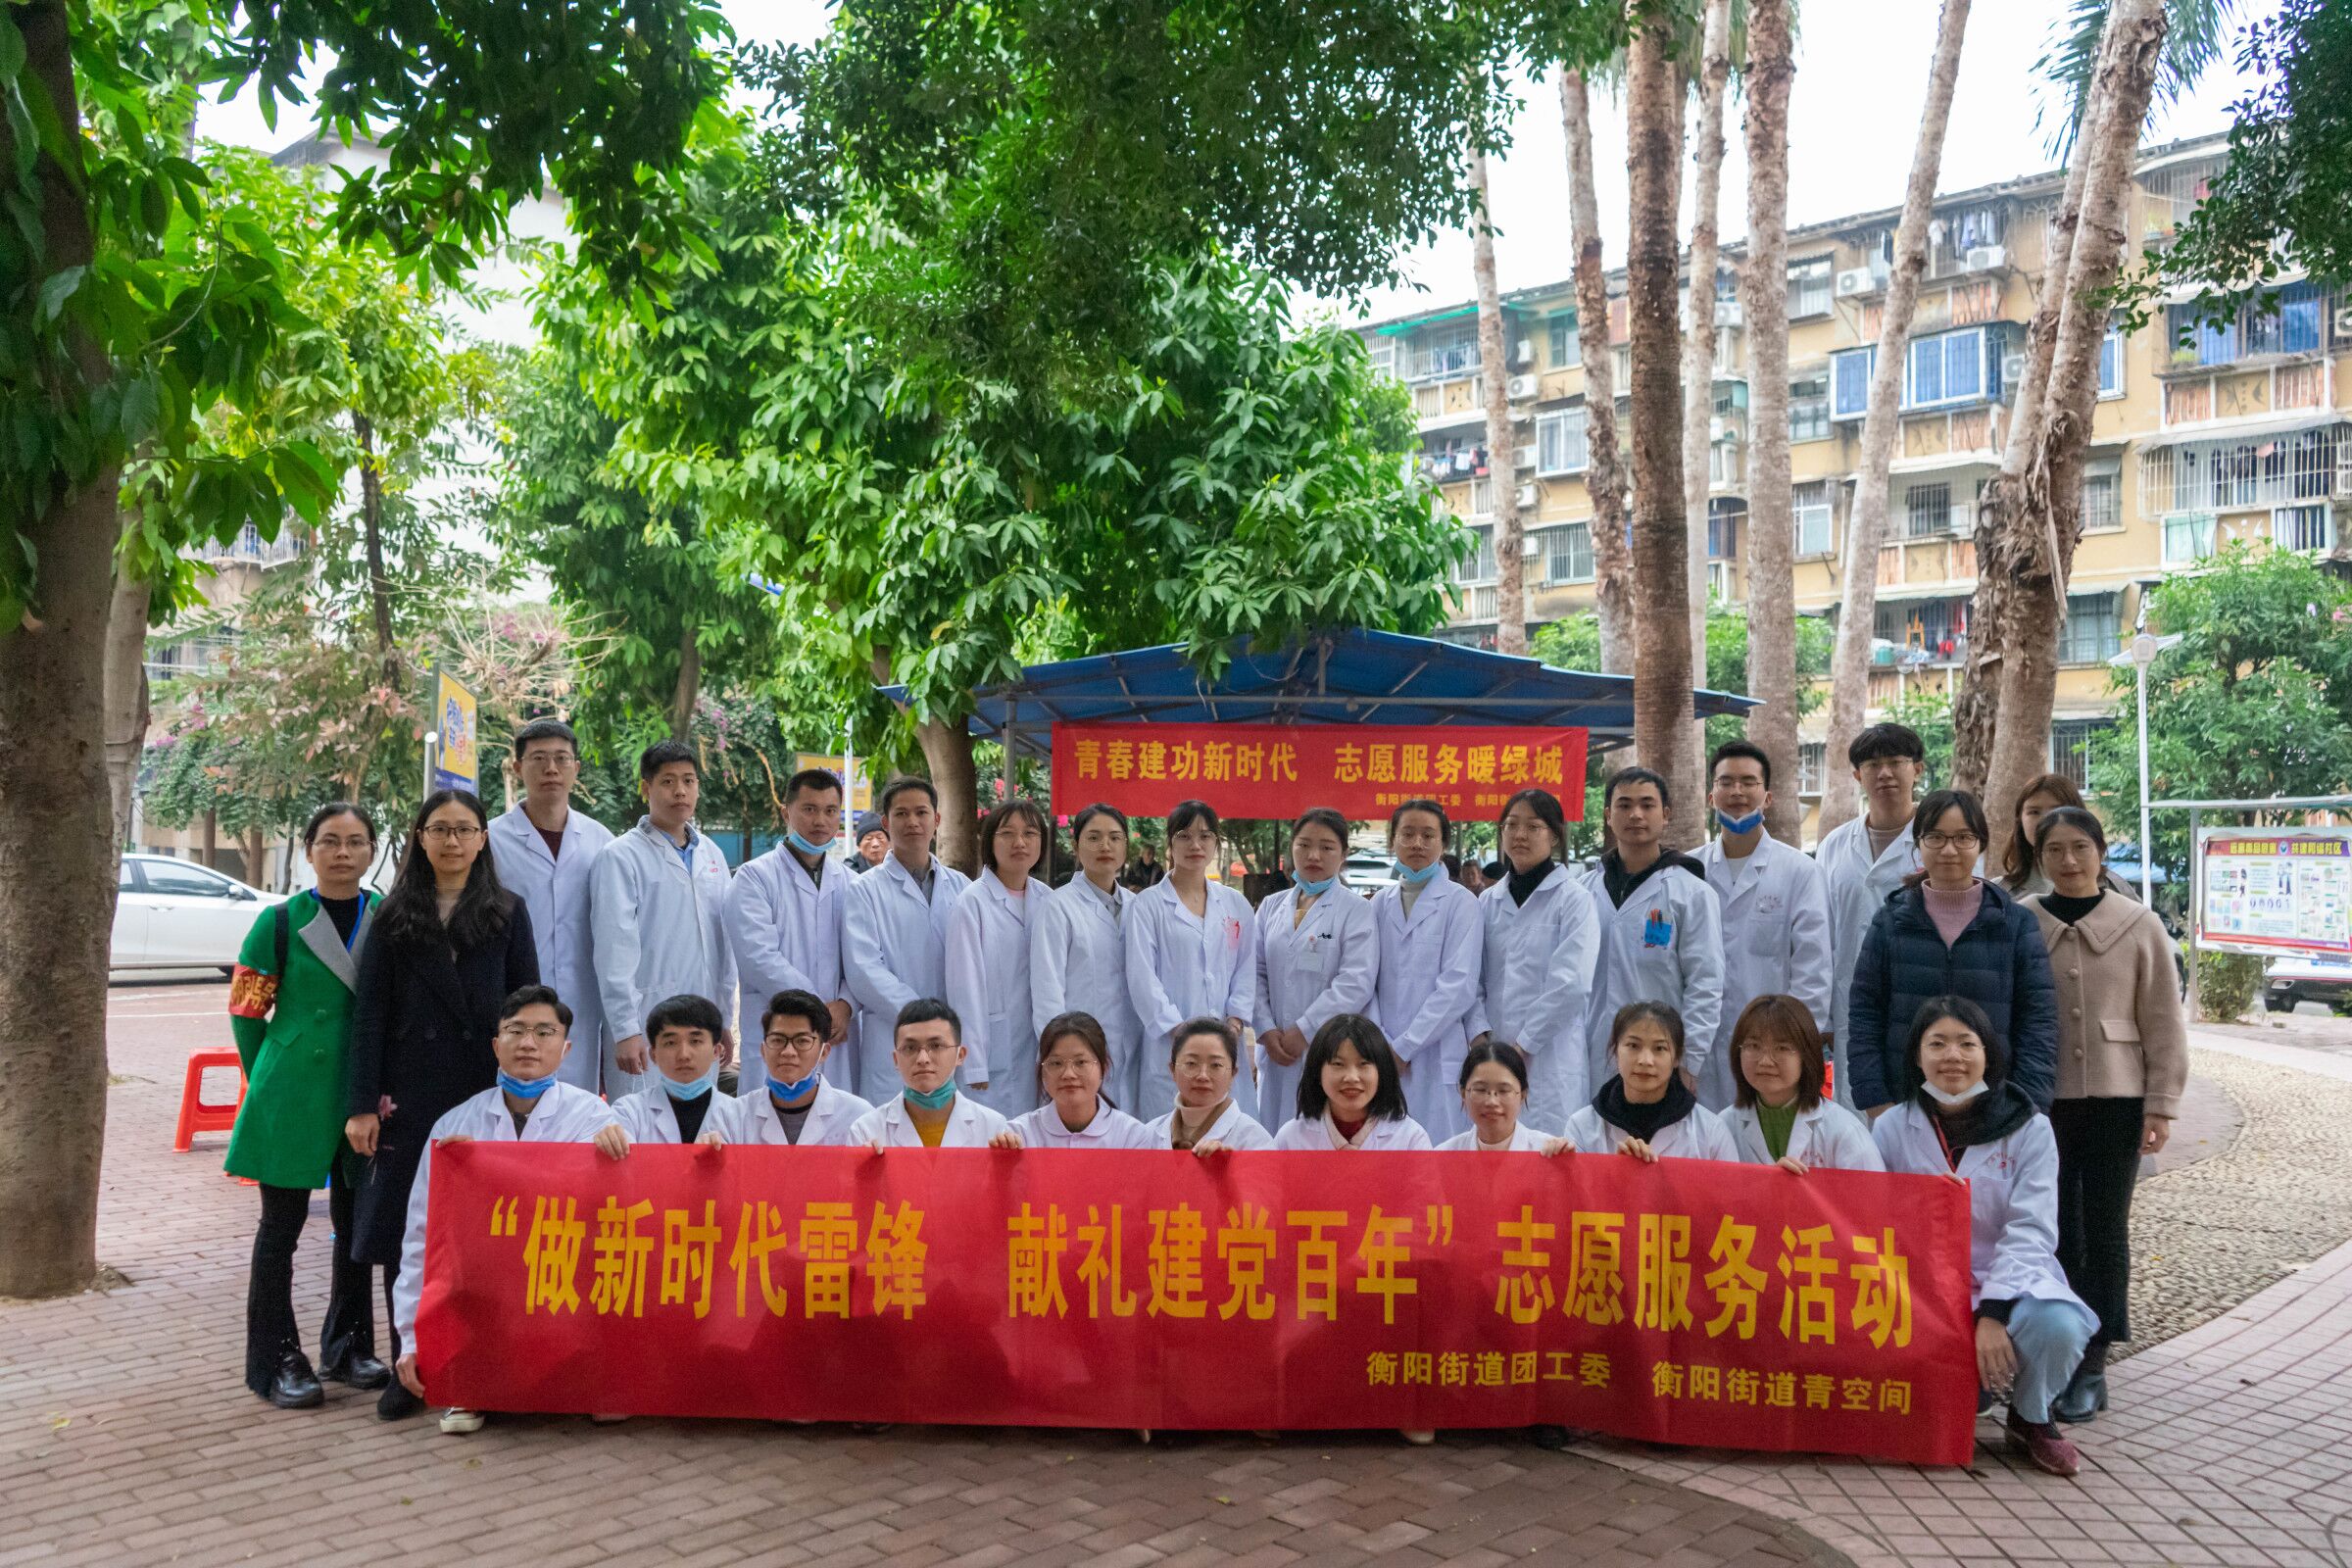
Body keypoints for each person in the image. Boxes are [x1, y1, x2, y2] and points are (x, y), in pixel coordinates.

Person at [347, 788, 538, 1422]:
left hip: (486, 1090)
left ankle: (487, 1363)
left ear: (482, 840)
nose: (452, 841)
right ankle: (410, 1364)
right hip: (410, 1092)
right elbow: (369, 1015)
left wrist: (530, 1086)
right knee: (405, 1229)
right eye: (439, 829)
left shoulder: (508, 912)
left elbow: (528, 1006)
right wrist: (362, 1104)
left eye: (464, 830)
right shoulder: (393, 915)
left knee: (488, 1232)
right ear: (420, 839)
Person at [1871, 997, 2094, 1478]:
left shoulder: (2030, 1129)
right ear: (1916, 1056)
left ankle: (2031, 1416)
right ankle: (1965, 1389)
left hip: (2010, 1281)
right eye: (1937, 1044)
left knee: (2059, 1324)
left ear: (1987, 1054)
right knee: (1944, 1399)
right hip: (1922, 1288)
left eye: (1966, 1043)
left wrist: (1992, 1311)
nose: (1952, 1056)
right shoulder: (1891, 1128)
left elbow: (2031, 1230)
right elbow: (1868, 1213)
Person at [390, 986, 627, 1435]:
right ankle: (468, 1385)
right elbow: (422, 1235)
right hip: (486, 1291)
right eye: (516, 1031)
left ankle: (590, 1379)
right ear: (496, 1045)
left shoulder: (595, 1120)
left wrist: (613, 1153)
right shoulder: (456, 1126)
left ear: (566, 1048)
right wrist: (411, 1336)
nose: (528, 1043)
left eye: (544, 1032)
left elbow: (622, 1218)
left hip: (560, 1281)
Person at [2020, 806, 2189, 1423]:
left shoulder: (2140, 924)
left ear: (2100, 852)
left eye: (2080, 848)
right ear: (2040, 857)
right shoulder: (2023, 920)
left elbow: (2164, 1021)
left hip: (2118, 1100)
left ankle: (2094, 1363)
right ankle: (2053, 1350)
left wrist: (2161, 1105)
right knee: (2054, 1228)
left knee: (2105, 1228)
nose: (2068, 861)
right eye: (2055, 850)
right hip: (2044, 1101)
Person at [228, 802, 387, 1409]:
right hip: (292, 1092)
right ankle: (276, 1360)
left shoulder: (388, 917)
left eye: (355, 841)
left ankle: (349, 1345)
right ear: (308, 850)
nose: (343, 852)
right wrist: (270, 1077)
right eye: (329, 841)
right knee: (280, 1231)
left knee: (356, 1228)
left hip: (362, 1093)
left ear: (371, 851)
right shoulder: (277, 923)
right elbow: (246, 1012)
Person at [1846, 790, 2060, 1116]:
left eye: (1963, 838)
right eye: (1935, 837)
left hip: (1996, 1108)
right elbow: (1865, 1014)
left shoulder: (2016, 923)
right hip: (1905, 1106)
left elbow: (2038, 1021)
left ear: (1980, 844)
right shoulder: (1890, 922)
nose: (1949, 850)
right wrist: (1875, 1099)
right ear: (1918, 844)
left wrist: (2026, 1104)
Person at [588, 739, 738, 1100]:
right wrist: (626, 1029)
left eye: (688, 781)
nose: (680, 791)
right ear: (646, 788)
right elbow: (613, 949)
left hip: (703, 1020)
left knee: (700, 1119)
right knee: (643, 1120)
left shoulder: (712, 855)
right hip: (645, 1021)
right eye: (668, 781)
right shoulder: (621, 856)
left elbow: (725, 946)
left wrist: (722, 1018)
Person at [1695, 742, 1832, 1111]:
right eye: (1726, 782)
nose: (1737, 792)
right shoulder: (1690, 871)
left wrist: (1793, 1045)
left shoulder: (1799, 871)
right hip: (1703, 1047)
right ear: (1711, 796)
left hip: (1773, 1050)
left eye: (1748, 782)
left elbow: (1813, 970)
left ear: (1768, 797)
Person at [1580, 767, 1725, 1102]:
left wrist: (1688, 1059)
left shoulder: (1691, 893)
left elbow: (1705, 983)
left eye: (1647, 805)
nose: (1636, 814)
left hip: (1660, 1056)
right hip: (1592, 1051)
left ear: (1666, 814)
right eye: (1624, 805)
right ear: (1608, 815)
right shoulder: (1582, 892)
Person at [486, 718, 614, 1092]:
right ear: (517, 767)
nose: (551, 769)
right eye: (539, 758)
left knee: (577, 1106)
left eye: (562, 758)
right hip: (512, 993)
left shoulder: (600, 840)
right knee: (513, 1100)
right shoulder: (492, 840)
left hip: (582, 998)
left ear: (576, 768)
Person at [1473, 788, 1601, 1132]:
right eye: (1511, 825)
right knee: (1495, 1147)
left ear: (1554, 836)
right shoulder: (1487, 902)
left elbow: (1571, 984)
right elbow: (1473, 979)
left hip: (1550, 1058)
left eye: (1533, 826)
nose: (1520, 835)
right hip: (1493, 1054)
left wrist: (1523, 1045)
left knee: (1549, 1148)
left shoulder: (1574, 900)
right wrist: (1478, 1034)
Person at [840, 776, 972, 1104]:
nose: (912, 821)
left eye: (921, 812)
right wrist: (922, 1018)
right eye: (901, 814)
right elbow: (864, 969)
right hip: (892, 1033)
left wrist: (943, 1025)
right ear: (886, 823)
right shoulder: (864, 889)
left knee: (948, 1129)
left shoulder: (962, 887)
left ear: (936, 819)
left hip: (950, 1037)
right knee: (891, 1128)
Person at [1818, 723, 1931, 1103]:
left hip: (1918, 999)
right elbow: (1823, 934)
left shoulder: (1937, 841)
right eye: (1872, 765)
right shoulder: (1834, 846)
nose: (1884, 774)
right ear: (1857, 776)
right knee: (1855, 1108)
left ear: (1917, 769)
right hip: (1849, 1004)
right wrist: (1825, 1017)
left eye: (1896, 762)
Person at [724, 767, 855, 1095]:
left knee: (835, 1117)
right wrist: (818, 1009)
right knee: (769, 1118)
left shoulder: (851, 882)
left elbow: (863, 956)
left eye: (830, 811)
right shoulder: (754, 878)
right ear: (786, 812)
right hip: (777, 1022)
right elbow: (758, 958)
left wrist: (846, 1004)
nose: (820, 821)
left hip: (836, 1030)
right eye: (809, 809)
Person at [1126, 800, 1254, 1124]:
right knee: (1172, 1136)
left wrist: (1234, 1023)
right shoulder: (1148, 905)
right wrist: (1178, 1031)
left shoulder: (1236, 904)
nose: (1195, 845)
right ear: (1170, 843)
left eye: (1205, 836)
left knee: (1229, 1136)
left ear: (1216, 843)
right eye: (1184, 836)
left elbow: (1246, 968)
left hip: (1226, 1042)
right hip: (1169, 1042)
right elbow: (1142, 977)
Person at [1251, 808, 1378, 1134]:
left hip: (1325, 1046)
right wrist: (1265, 1028)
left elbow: (1355, 982)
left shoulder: (1356, 910)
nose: (1313, 855)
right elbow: (1254, 972)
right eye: (1304, 845)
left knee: (1319, 1139)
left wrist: (1306, 1030)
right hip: (1274, 1048)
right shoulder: (1271, 906)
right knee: (1273, 1138)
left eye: (1326, 847)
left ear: (1343, 855)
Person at [1368, 801, 1485, 1143]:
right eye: (1407, 834)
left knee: (1439, 1154)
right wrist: (1381, 1045)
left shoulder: (1461, 903)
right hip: (1384, 1054)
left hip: (1438, 1053)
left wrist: (1404, 1047)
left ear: (1443, 843)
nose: (1417, 843)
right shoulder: (1378, 904)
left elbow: (1458, 986)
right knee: (1388, 1154)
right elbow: (1365, 981)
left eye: (1428, 835)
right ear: (1392, 841)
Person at [1032, 804, 1147, 1107]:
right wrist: (1059, 1057)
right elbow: (1047, 991)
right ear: (1076, 846)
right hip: (1078, 1054)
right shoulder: (1058, 906)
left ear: (1125, 846)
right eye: (1094, 838)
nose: (1105, 846)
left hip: (1134, 1050)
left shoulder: (1139, 907)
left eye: (1114, 838)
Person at [946, 798, 1048, 1116]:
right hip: (991, 1052)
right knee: (990, 1133)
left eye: (1030, 833)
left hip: (1038, 1046)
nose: (1020, 842)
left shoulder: (1049, 899)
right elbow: (965, 989)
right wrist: (974, 1062)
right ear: (990, 841)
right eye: (1007, 833)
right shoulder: (972, 902)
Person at [1721, 995, 1883, 1173]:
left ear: (1806, 1056)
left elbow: (1872, 1191)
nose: (1765, 1061)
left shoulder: (1844, 1131)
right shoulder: (1723, 1125)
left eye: (1781, 1048)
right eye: (1753, 1046)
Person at [1558, 1002, 1737, 1161]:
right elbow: (1573, 1188)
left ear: (1677, 1057)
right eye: (1633, 1046)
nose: (1645, 1060)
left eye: (1659, 1048)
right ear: (1615, 1051)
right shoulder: (1582, 1127)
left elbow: (1729, 1188)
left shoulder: (1711, 1132)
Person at [713, 988, 875, 1147]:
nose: (788, 1052)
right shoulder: (731, 1118)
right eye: (777, 1040)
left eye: (802, 1041)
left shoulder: (859, 1116)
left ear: (824, 1052)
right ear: (763, 1050)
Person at [847, 999, 1012, 1149]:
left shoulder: (993, 1129)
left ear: (960, 1055)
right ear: (896, 1059)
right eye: (910, 1048)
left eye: (936, 1046)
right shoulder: (866, 1131)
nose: (923, 1059)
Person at [992, 1011, 1155, 1150]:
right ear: (1042, 1071)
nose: (1068, 1074)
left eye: (1081, 1062)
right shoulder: (1020, 1135)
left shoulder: (1132, 1137)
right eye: (1056, 1063)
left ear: (1103, 1067)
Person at [1270, 1013, 1434, 1152]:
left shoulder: (1410, 1139)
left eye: (1363, 1064)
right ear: (1317, 1072)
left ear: (1382, 1072)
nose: (1351, 1077)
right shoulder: (1290, 1139)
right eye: (1338, 1064)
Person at [612, 994, 731, 1147]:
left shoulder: (737, 1115)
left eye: (695, 1041)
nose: (684, 1055)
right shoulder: (628, 1112)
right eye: (670, 1043)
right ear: (653, 1055)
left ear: (716, 1051)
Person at [1142, 1016, 1276, 1152]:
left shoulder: (1255, 1140)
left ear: (1233, 1074)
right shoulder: (1147, 1136)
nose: (1203, 1076)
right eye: (1191, 1064)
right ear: (1173, 1070)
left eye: (1216, 1065)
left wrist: (1230, 1164)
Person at [2000, 773, 2139, 901]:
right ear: (2019, 820)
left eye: (2057, 810)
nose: (2046, 820)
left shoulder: (2115, 889)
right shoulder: (2000, 895)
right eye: (2034, 812)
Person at [1438, 1040, 1551, 1152]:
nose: (1492, 1101)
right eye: (1481, 1090)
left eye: (1504, 1091)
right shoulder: (1443, 1155)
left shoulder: (1546, 1152)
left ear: (1522, 1095)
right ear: (1463, 1094)